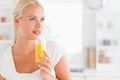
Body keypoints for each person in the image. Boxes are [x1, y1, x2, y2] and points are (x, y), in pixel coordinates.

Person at [0, 0, 71, 80]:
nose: (39, 25)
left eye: (42, 19)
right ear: (17, 20)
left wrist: (48, 77)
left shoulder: (53, 50)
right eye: (32, 19)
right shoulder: (4, 58)